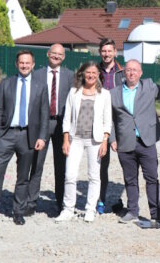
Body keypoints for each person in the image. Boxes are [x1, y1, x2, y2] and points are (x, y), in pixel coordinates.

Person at [0, 50, 49, 226]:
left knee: (23, 176)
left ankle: (18, 211)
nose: (24, 66)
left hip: (28, 136)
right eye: (21, 63)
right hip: (6, 135)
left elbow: (44, 114)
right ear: (16, 64)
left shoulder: (41, 86)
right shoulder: (7, 83)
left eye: (28, 63)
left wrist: (42, 137)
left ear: (33, 65)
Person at [110, 59, 160, 223]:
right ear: (124, 72)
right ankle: (132, 211)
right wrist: (112, 139)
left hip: (146, 140)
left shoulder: (149, 86)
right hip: (125, 142)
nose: (132, 73)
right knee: (130, 179)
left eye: (135, 70)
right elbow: (110, 119)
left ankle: (156, 212)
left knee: (152, 178)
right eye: (129, 70)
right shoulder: (113, 93)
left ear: (141, 73)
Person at [55, 61, 112, 223]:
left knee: (94, 176)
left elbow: (107, 121)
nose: (91, 75)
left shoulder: (105, 94)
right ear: (82, 74)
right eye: (88, 72)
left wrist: (105, 141)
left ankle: (90, 209)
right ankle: (68, 209)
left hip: (95, 140)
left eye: (94, 73)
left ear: (98, 75)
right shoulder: (74, 92)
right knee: (70, 175)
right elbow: (67, 118)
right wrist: (66, 139)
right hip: (76, 139)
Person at [26, 43, 74, 216]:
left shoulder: (70, 76)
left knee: (61, 166)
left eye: (60, 54)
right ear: (47, 54)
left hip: (62, 126)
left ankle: (61, 203)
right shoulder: (36, 75)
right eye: (53, 53)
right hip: (42, 124)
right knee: (36, 164)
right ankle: (31, 203)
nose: (56, 56)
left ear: (64, 57)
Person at [96, 38, 125, 214]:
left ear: (115, 52)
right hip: (100, 123)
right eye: (103, 51)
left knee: (127, 162)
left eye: (109, 51)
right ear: (100, 52)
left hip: (120, 121)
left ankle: (131, 202)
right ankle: (101, 199)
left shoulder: (122, 73)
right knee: (101, 164)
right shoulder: (93, 71)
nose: (106, 54)